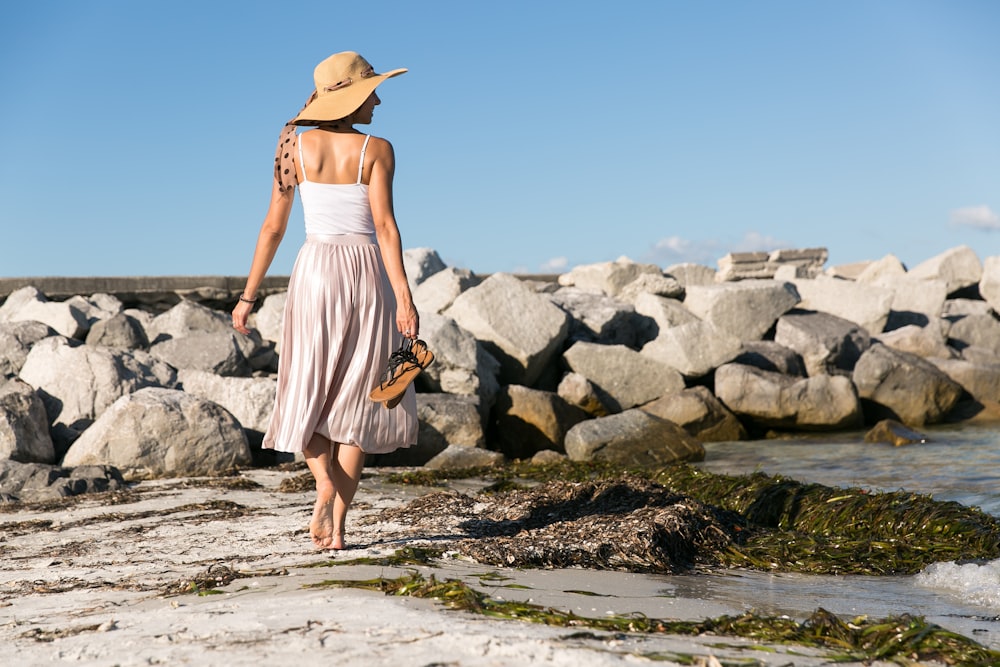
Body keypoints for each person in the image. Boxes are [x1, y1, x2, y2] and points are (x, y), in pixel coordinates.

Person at [232, 51, 418, 550]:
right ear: (349, 97)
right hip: (366, 277)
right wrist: (404, 297)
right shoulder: (378, 149)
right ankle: (337, 526)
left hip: (315, 272)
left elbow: (273, 227)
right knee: (362, 398)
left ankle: (322, 483)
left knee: (306, 389)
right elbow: (385, 228)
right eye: (370, 91)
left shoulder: (292, 142)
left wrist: (247, 297)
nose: (377, 99)